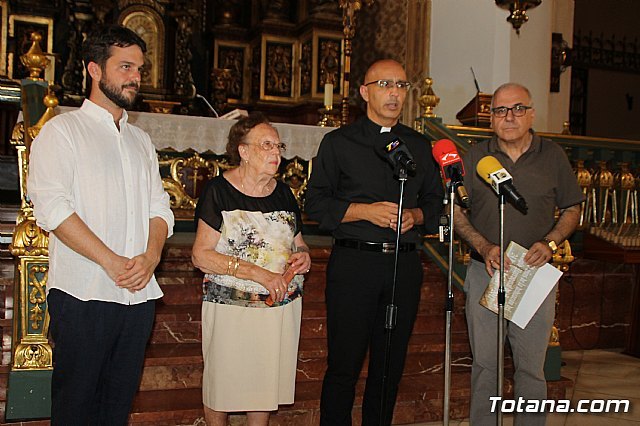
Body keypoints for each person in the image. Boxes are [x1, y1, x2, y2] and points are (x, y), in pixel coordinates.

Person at [27, 25, 174, 425]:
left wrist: (151, 255)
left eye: (139, 69)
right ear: (94, 69)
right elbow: (53, 209)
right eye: (125, 66)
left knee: (116, 410)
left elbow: (159, 208)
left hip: (138, 297)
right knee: (76, 409)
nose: (135, 77)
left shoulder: (140, 140)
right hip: (84, 293)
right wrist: (110, 261)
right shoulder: (62, 131)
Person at [306, 59, 444, 425]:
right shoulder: (338, 143)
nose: (394, 93)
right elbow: (315, 203)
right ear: (365, 92)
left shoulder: (420, 145)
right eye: (385, 84)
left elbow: (435, 202)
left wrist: (415, 217)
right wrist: (364, 212)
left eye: (401, 85)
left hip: (404, 266)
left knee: (389, 367)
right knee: (344, 366)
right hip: (354, 266)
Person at [453, 83, 584, 425]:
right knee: (485, 365)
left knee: (531, 368)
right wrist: (482, 246)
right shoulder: (475, 157)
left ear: (531, 113)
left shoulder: (552, 155)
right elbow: (454, 210)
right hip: (487, 271)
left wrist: (551, 242)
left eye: (517, 109)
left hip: (533, 274)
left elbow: (572, 208)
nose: (509, 117)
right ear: (490, 118)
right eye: (500, 110)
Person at [191, 112, 311, 426]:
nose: (276, 153)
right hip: (231, 306)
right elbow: (201, 256)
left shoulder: (284, 192)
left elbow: (297, 241)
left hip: (279, 307)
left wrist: (303, 255)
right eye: (266, 145)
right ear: (243, 151)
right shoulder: (218, 190)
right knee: (223, 385)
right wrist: (259, 274)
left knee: (264, 385)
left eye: (278, 146)